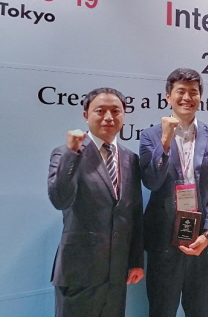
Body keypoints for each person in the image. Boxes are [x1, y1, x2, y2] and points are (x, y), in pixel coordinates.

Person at [140, 68, 208, 317]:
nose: (187, 97)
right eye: (181, 91)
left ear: (200, 97)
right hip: (164, 239)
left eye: (193, 92)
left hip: (202, 237)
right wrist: (165, 142)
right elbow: (151, 182)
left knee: (199, 309)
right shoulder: (150, 136)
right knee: (161, 309)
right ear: (168, 96)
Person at [48, 87, 144, 317]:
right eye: (100, 111)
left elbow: (134, 214)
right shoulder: (65, 154)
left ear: (124, 115)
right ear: (86, 115)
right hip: (78, 272)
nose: (108, 117)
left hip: (116, 273)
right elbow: (60, 199)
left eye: (115, 111)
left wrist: (136, 261)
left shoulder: (130, 159)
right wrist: (72, 154)